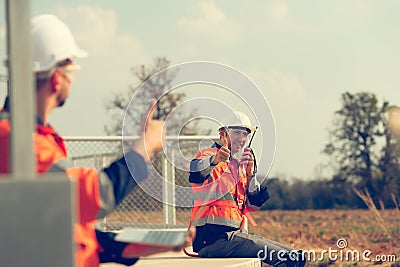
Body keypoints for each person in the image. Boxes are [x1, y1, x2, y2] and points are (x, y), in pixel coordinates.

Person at [0, 14, 193, 267]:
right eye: (72, 71)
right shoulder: (18, 141)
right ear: (58, 79)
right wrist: (145, 147)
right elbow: (99, 194)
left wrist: (151, 244)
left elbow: (74, 232)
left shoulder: (30, 137)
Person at [187, 111, 305, 266]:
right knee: (288, 258)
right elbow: (195, 173)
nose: (241, 138)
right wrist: (215, 160)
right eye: (236, 132)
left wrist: (251, 175)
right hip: (211, 240)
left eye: (244, 134)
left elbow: (254, 204)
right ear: (223, 134)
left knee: (296, 256)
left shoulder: (239, 167)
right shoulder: (208, 154)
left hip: (233, 237)